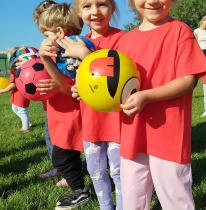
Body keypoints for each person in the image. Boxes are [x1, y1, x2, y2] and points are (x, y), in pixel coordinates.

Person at [117, 0, 206, 209]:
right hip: (132, 133)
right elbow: (112, 84)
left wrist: (146, 96)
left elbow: (187, 81)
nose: (152, 1)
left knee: (175, 196)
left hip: (169, 133)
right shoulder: (125, 41)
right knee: (132, 198)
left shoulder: (180, 31)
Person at [62, 0, 125, 209]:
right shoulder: (78, 42)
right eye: (87, 6)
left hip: (119, 122)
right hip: (91, 122)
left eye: (102, 4)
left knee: (119, 171)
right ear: (79, 12)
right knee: (96, 171)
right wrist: (75, 87)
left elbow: (116, 78)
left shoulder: (124, 39)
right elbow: (74, 80)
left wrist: (85, 56)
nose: (95, 11)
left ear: (113, 8)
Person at [37, 3, 91, 209]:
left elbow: (77, 87)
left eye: (45, 34)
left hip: (71, 116)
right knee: (63, 156)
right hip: (59, 116)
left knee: (65, 156)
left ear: (59, 31)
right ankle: (79, 187)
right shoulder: (57, 51)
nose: (44, 39)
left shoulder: (74, 51)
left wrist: (59, 88)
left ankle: (78, 190)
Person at [32, 0, 67, 186]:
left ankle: (65, 170)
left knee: (62, 138)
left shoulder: (62, 48)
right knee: (50, 134)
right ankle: (58, 167)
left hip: (64, 100)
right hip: (49, 102)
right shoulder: (46, 46)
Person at [0, 47, 32, 133]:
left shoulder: (15, 70)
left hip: (21, 94)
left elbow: (13, 85)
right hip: (17, 94)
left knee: (22, 110)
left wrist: (3, 91)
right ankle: (26, 121)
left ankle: (25, 128)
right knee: (14, 108)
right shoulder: (18, 69)